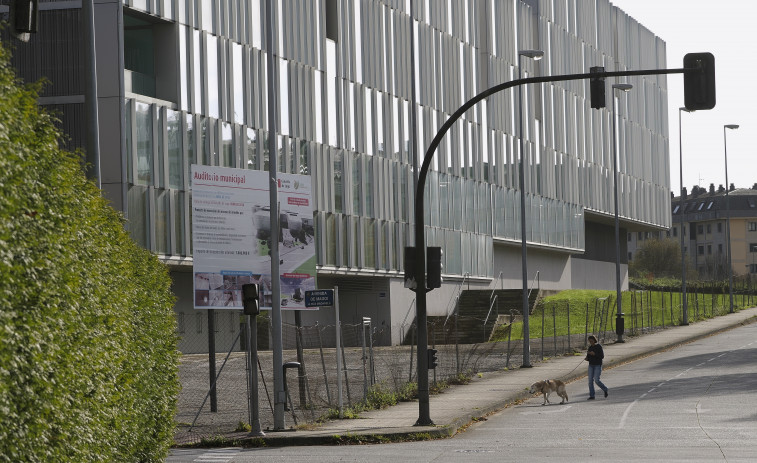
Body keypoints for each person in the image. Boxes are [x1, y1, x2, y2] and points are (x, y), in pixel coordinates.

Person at [585, 335, 608, 400]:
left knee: (597, 380)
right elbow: (588, 357)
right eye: (589, 341)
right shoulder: (590, 348)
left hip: (597, 365)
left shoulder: (598, 346)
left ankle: (605, 389)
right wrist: (587, 358)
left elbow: (602, 356)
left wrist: (594, 354)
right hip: (591, 365)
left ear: (594, 340)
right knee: (590, 381)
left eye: (592, 341)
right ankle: (592, 395)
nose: (591, 343)